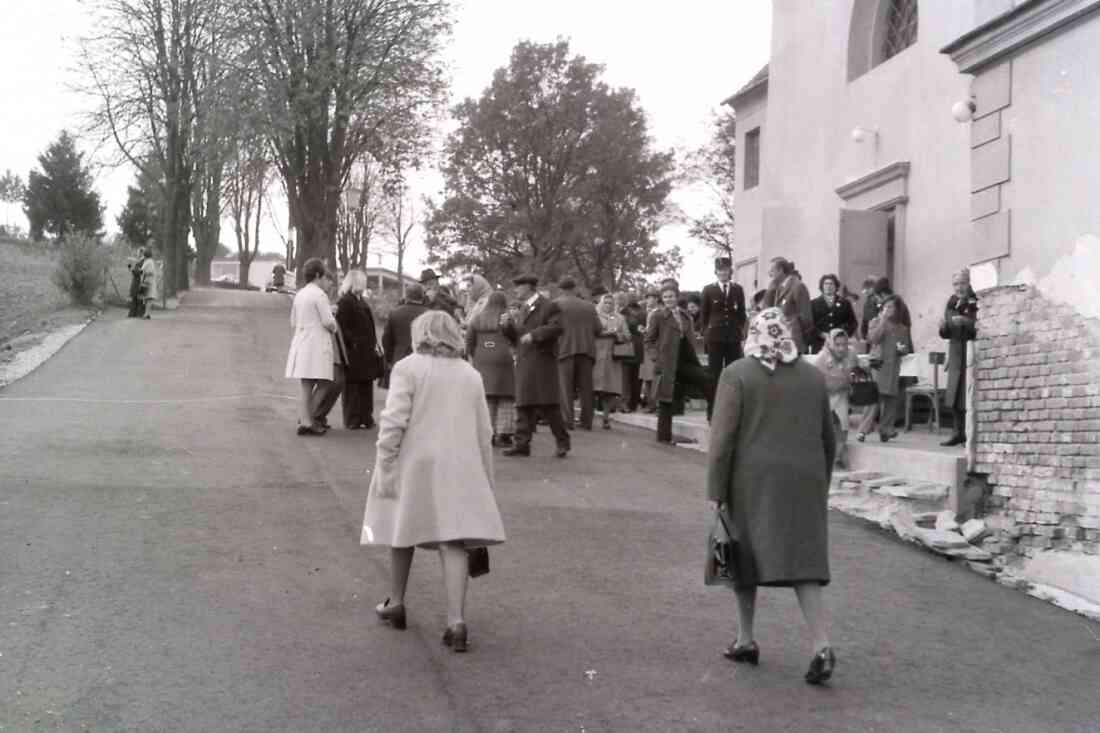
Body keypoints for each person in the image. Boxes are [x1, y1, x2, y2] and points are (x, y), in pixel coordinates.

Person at [706, 307, 838, 685]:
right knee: (804, 559)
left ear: (754, 334)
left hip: (752, 481)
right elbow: (829, 438)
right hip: (805, 480)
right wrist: (820, 484)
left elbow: (722, 441)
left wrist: (716, 490)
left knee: (741, 555)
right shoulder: (813, 377)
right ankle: (821, 645)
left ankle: (746, 639)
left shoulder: (737, 374)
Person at [362, 311, 506, 653]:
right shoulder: (470, 374)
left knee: (403, 531)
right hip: (460, 464)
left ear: (420, 334)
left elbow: (393, 422)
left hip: (416, 462)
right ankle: (456, 622)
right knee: (453, 539)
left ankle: (395, 601)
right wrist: (487, 479)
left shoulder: (408, 368)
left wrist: (385, 463)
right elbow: (484, 433)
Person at [500, 274, 570, 457]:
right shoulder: (523, 308)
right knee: (524, 404)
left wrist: (535, 335)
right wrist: (507, 327)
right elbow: (517, 337)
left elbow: (557, 327)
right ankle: (522, 444)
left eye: (518, 286)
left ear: (529, 287)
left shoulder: (549, 306)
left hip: (542, 361)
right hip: (525, 360)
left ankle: (562, 442)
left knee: (549, 405)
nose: (516, 290)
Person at [646, 283, 716, 445]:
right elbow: (648, 340)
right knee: (666, 399)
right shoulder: (658, 316)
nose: (668, 299)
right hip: (667, 362)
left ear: (677, 297)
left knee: (707, 380)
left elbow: (690, 338)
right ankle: (664, 437)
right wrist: (656, 358)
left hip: (685, 359)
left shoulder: (685, 316)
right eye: (665, 297)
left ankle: (713, 416)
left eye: (671, 296)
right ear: (662, 300)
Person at [285, 258, 338, 436]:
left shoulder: (300, 294)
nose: (325, 279)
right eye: (323, 275)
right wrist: (334, 321)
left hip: (301, 340)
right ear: (317, 275)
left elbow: (293, 320)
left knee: (306, 385)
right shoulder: (319, 295)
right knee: (324, 382)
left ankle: (305, 419)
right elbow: (328, 322)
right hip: (316, 343)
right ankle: (309, 420)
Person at [857, 295, 913, 443]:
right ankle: (863, 429)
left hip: (893, 366)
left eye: (891, 307)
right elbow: (873, 338)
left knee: (890, 398)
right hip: (878, 365)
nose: (887, 310)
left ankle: (886, 429)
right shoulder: (875, 322)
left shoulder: (902, 328)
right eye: (885, 307)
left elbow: (907, 348)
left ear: (897, 310)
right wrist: (882, 320)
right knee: (874, 398)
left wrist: (903, 349)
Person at [465, 290, 517, 446]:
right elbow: (515, 338)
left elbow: (469, 341)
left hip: (482, 358)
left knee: (487, 396)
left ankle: (488, 432)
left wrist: (475, 356)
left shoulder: (477, 319)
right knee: (505, 396)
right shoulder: (506, 319)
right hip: (503, 358)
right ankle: (504, 433)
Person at [336, 270, 383, 430]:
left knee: (365, 384)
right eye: (362, 282)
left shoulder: (360, 300)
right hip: (354, 351)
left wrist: (374, 343)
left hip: (366, 350)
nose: (364, 286)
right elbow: (342, 326)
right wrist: (353, 342)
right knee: (352, 386)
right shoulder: (346, 301)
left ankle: (365, 416)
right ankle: (352, 418)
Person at [553, 277, 602, 430]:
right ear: (575, 288)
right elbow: (598, 329)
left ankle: (567, 421)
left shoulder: (556, 304)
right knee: (586, 388)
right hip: (587, 350)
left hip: (564, 350)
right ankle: (587, 422)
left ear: (560, 289)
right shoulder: (589, 306)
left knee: (565, 387)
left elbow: (551, 328)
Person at [939, 269, 979, 447]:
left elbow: (980, 325)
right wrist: (942, 327)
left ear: (969, 282)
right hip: (955, 349)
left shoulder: (975, 300)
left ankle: (968, 433)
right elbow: (946, 332)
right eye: (956, 284)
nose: (959, 287)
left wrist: (966, 322)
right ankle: (957, 432)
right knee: (954, 393)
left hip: (969, 349)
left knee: (967, 393)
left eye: (962, 283)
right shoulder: (952, 301)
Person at [812, 328, 858, 469]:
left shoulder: (851, 354)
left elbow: (856, 371)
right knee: (825, 428)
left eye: (844, 344)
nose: (841, 348)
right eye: (837, 345)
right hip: (825, 397)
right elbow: (815, 380)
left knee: (843, 426)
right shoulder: (822, 358)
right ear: (831, 344)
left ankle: (836, 458)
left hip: (841, 395)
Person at [311, 271, 350, 430]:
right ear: (321, 278)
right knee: (331, 382)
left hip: (335, 343)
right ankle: (312, 416)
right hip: (326, 343)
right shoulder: (318, 296)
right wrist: (331, 313)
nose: (332, 284)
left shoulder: (327, 296)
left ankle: (319, 416)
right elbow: (326, 321)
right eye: (330, 281)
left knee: (337, 382)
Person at [700, 257, 748, 384]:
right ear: (715, 272)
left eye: (725, 270)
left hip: (733, 337)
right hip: (714, 337)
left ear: (730, 271)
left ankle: (731, 401)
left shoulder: (738, 289)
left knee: (733, 370)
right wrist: (706, 333)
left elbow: (742, 313)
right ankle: (713, 401)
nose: (723, 273)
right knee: (714, 371)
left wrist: (739, 330)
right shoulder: (708, 290)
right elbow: (704, 315)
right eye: (720, 270)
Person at [593, 292, 631, 429]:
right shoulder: (594, 316)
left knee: (610, 389)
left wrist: (617, 335)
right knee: (592, 387)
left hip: (612, 357)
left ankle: (606, 418)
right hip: (596, 355)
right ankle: (587, 416)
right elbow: (589, 332)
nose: (608, 305)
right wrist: (604, 333)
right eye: (606, 303)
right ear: (601, 303)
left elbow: (627, 336)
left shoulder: (620, 318)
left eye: (611, 303)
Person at [763, 257, 814, 353]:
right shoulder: (777, 287)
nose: (770, 274)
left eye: (772, 270)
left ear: (780, 270)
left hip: (795, 343)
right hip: (780, 342)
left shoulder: (798, 286)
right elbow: (766, 311)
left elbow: (806, 317)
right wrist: (770, 290)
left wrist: (803, 340)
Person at [382, 283, 430, 368]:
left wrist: (389, 359)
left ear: (406, 296)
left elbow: (386, 340)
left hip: (399, 359)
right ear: (422, 296)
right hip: (423, 361)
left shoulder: (394, 313)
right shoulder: (430, 315)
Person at [810, 274, 858, 353]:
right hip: (819, 344)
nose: (828, 286)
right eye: (826, 284)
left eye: (831, 284)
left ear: (836, 286)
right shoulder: (813, 304)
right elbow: (809, 325)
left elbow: (853, 323)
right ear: (822, 286)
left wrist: (841, 334)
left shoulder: (845, 303)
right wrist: (821, 334)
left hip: (840, 345)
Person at [616, 292, 644, 412]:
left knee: (625, 377)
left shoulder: (623, 314)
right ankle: (633, 403)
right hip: (638, 347)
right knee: (635, 377)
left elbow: (622, 331)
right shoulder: (642, 312)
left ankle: (625, 403)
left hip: (627, 347)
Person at [639, 290, 661, 412]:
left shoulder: (658, 313)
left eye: (652, 298)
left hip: (653, 348)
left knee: (653, 377)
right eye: (648, 298)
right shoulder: (648, 313)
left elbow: (655, 332)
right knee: (647, 377)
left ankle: (654, 404)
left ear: (657, 299)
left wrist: (645, 331)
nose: (649, 300)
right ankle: (650, 403)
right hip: (647, 347)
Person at [139, 247, 157, 319]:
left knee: (149, 298)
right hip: (148, 281)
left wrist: (143, 272)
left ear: (145, 255)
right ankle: (147, 314)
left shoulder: (149, 261)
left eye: (144, 254)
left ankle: (146, 314)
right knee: (147, 298)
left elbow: (151, 271)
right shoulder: (148, 261)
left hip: (149, 281)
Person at [126, 249, 145, 317]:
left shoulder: (142, 261)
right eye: (138, 253)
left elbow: (140, 272)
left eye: (139, 253)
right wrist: (130, 268)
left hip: (139, 280)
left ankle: (138, 314)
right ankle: (133, 314)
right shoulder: (138, 261)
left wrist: (132, 269)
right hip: (136, 280)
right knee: (135, 297)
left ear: (142, 253)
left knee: (139, 298)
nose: (138, 254)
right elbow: (134, 271)